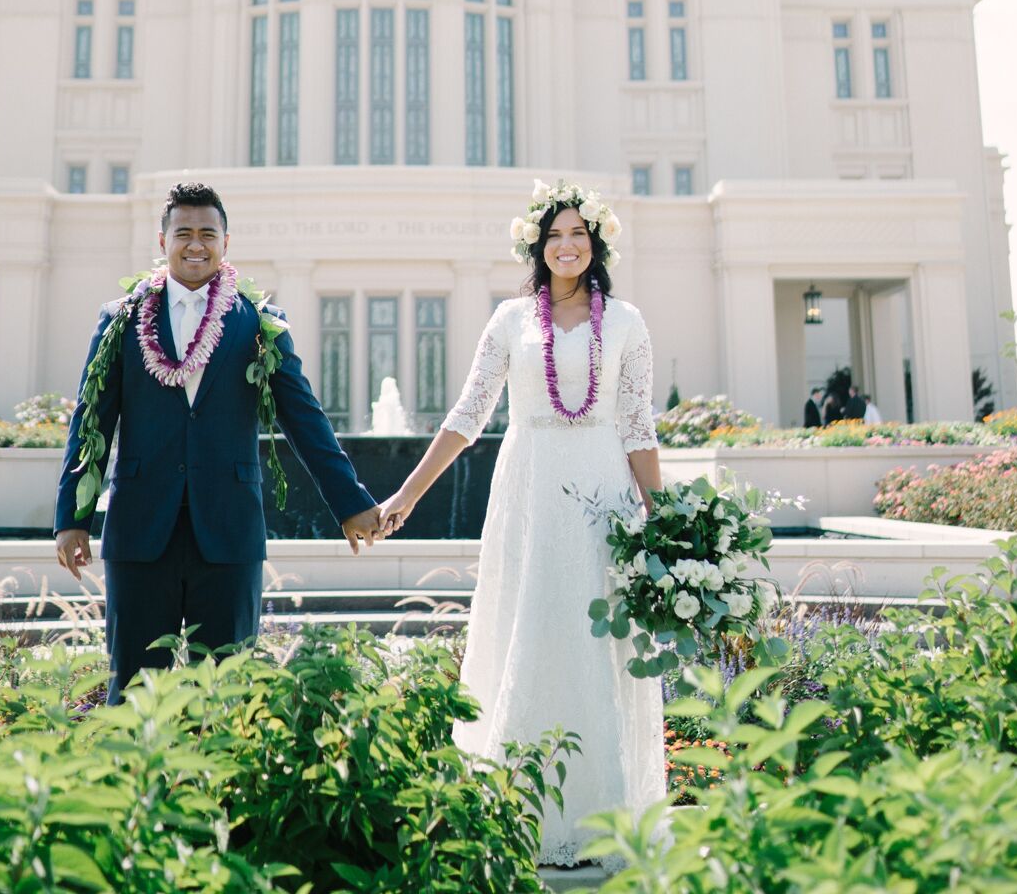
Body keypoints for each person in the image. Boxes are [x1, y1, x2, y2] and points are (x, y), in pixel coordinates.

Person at [378, 181, 667, 869]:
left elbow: (636, 425)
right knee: (531, 625)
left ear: (595, 244)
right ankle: (520, 809)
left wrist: (667, 522)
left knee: (594, 637)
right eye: (554, 235)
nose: (566, 245)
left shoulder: (625, 320)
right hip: (530, 487)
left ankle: (603, 819)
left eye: (578, 234)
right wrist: (407, 494)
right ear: (537, 247)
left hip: (601, 488)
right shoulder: (510, 320)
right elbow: (467, 414)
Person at [54, 177, 385, 705]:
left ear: (226, 243)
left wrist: (350, 503)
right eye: (183, 232)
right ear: (162, 242)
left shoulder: (258, 323)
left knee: (229, 694)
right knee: (135, 691)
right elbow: (90, 422)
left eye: (208, 233)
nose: (195, 244)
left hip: (228, 532)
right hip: (141, 531)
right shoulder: (120, 320)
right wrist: (73, 517)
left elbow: (305, 419)